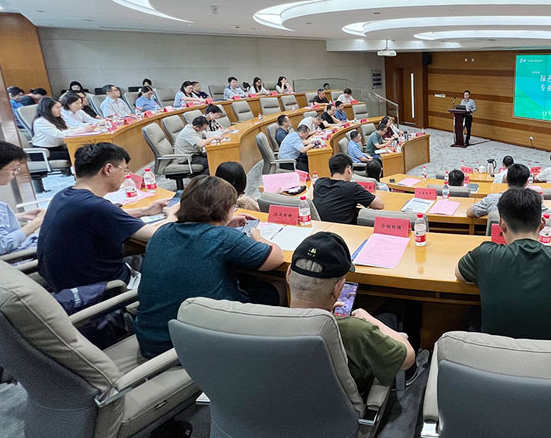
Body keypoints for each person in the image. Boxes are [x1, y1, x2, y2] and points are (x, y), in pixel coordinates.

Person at [135, 175, 284, 357]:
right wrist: (256, 235)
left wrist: (223, 226)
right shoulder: (223, 238)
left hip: (151, 341)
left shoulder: (162, 232)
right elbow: (276, 257)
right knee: (278, 288)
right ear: (224, 209)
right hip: (198, 349)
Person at [456, 187, 551, 340]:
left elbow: (459, 273)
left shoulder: (485, 254)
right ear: (542, 224)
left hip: (498, 352)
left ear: (502, 225)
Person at [286, 232, 415, 394]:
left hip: (287, 401)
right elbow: (408, 357)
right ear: (339, 288)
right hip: (345, 405)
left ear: (288, 274)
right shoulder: (355, 331)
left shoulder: (263, 322)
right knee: (392, 311)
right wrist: (369, 319)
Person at [37, 143, 176, 291]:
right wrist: (172, 214)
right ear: (108, 169)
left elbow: (108, 215)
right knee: (175, 269)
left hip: (68, 284)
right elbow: (159, 235)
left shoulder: (64, 195)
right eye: (125, 170)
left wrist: (144, 210)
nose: (126, 175)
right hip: (104, 288)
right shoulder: (96, 207)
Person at [0, 141, 44, 255]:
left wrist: (19, 216)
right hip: (16, 258)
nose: (16, 173)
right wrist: (35, 223)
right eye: (14, 169)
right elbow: (1, 246)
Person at [312, 154, 384, 224]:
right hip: (343, 229)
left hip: (320, 226)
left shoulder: (319, 183)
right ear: (349, 169)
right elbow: (379, 205)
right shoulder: (352, 187)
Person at [466, 163, 550, 218]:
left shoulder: (493, 198)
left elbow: (469, 213)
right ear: (527, 182)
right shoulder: (535, 200)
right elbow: (550, 217)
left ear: (506, 179)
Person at [31, 98, 97, 160]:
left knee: (85, 150)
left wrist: (86, 128)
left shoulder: (57, 118)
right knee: (79, 154)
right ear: (48, 109)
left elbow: (70, 128)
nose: (60, 110)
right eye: (57, 107)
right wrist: (83, 129)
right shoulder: (41, 121)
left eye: (60, 107)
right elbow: (59, 134)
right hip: (44, 152)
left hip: (58, 148)